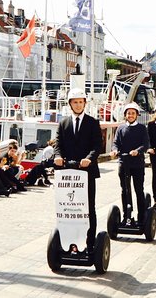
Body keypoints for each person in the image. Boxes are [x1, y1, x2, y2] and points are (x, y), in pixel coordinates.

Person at [53, 88, 103, 249]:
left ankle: (90, 242)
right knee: (68, 207)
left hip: (86, 172)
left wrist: (89, 159)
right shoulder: (63, 123)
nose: (78, 105)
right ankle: (68, 240)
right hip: (68, 173)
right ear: (70, 104)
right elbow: (58, 144)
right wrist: (58, 156)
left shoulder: (92, 122)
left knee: (88, 207)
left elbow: (97, 145)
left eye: (81, 102)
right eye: (75, 102)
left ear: (85, 103)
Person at [110, 102, 149, 224]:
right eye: (128, 113)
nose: (130, 115)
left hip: (137, 163)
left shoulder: (142, 128)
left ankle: (141, 217)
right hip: (124, 163)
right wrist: (115, 150)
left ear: (137, 114)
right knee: (125, 190)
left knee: (138, 190)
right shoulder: (121, 128)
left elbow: (145, 144)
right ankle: (126, 216)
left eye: (133, 113)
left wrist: (137, 151)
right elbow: (116, 143)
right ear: (125, 115)